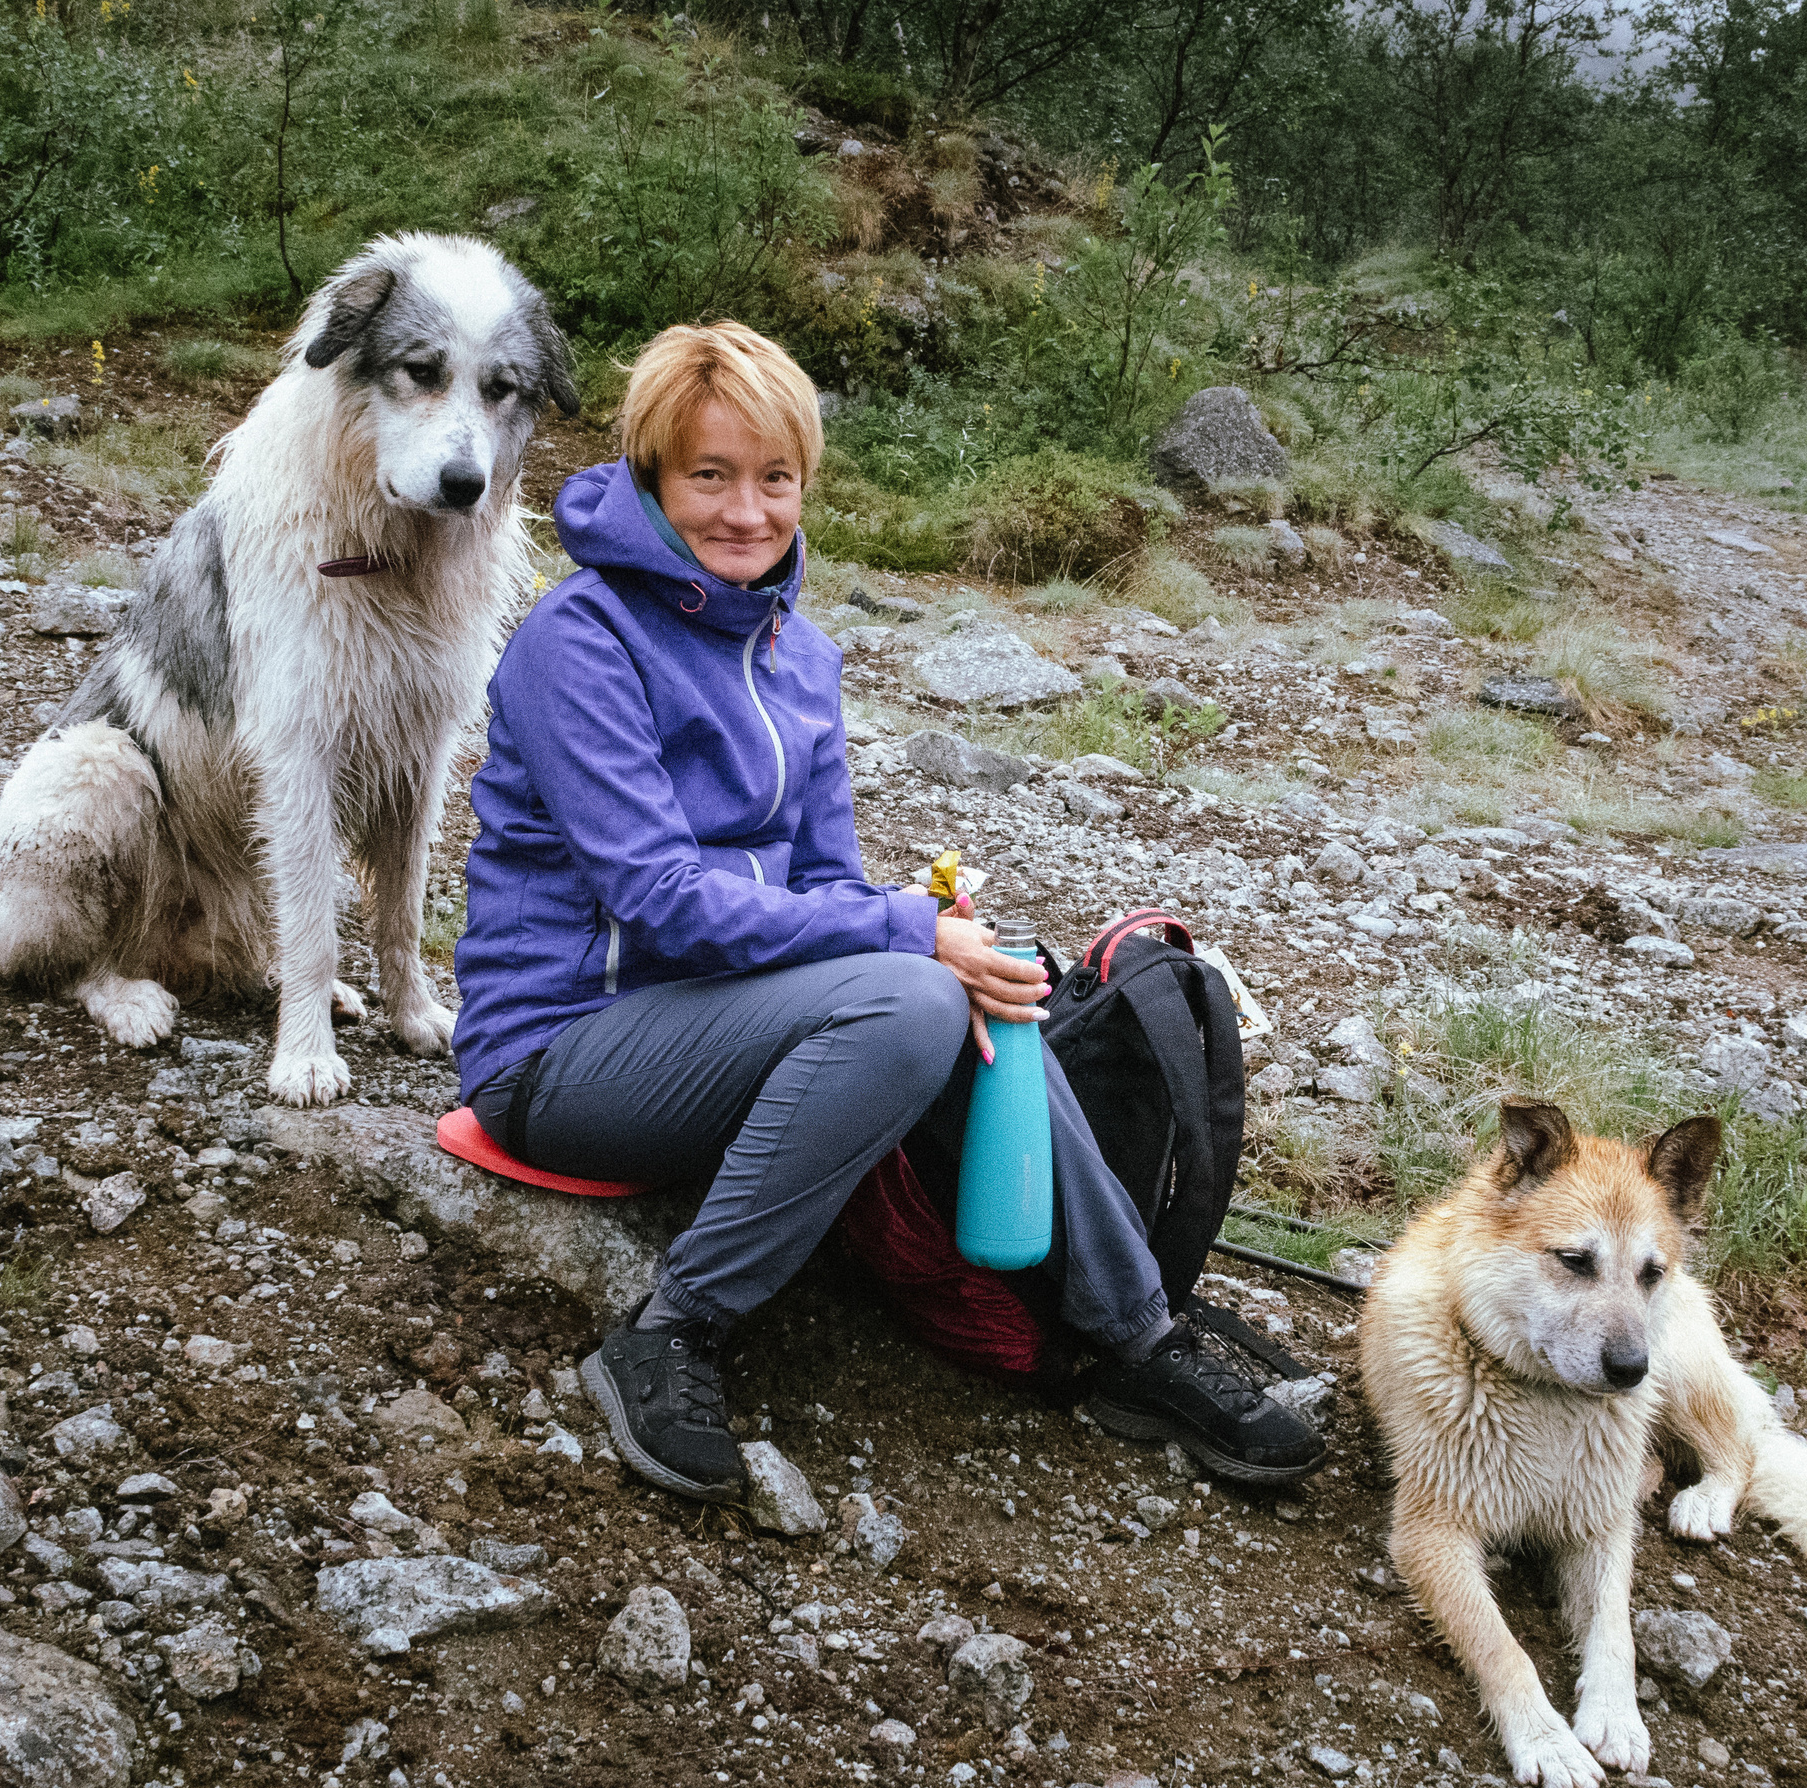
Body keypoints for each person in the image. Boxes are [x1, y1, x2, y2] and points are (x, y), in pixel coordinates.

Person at [451, 320, 1324, 1500]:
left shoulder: (797, 655)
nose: (747, 513)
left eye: (774, 479)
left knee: (982, 986)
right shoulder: (581, 642)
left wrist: (939, 938)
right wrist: (907, 937)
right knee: (917, 985)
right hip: (563, 1052)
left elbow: (824, 883)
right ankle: (671, 1331)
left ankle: (1136, 1337)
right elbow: (659, 901)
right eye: (709, 476)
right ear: (653, 479)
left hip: (730, 1025)